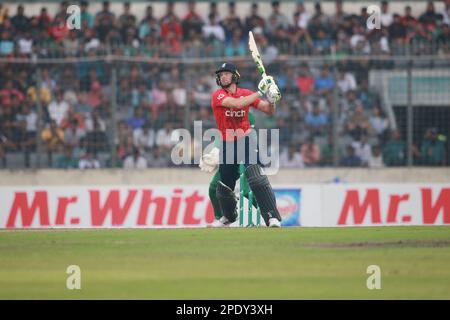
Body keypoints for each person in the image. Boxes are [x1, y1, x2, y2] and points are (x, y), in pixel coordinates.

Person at [208, 62, 282, 227]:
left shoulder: (245, 93)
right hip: (227, 143)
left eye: (226, 74)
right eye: (220, 75)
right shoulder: (218, 95)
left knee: (256, 177)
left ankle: (272, 217)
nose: (222, 77)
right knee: (224, 186)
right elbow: (237, 104)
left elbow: (268, 111)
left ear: (235, 76)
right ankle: (228, 217)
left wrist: (271, 99)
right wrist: (260, 91)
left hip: (246, 140)